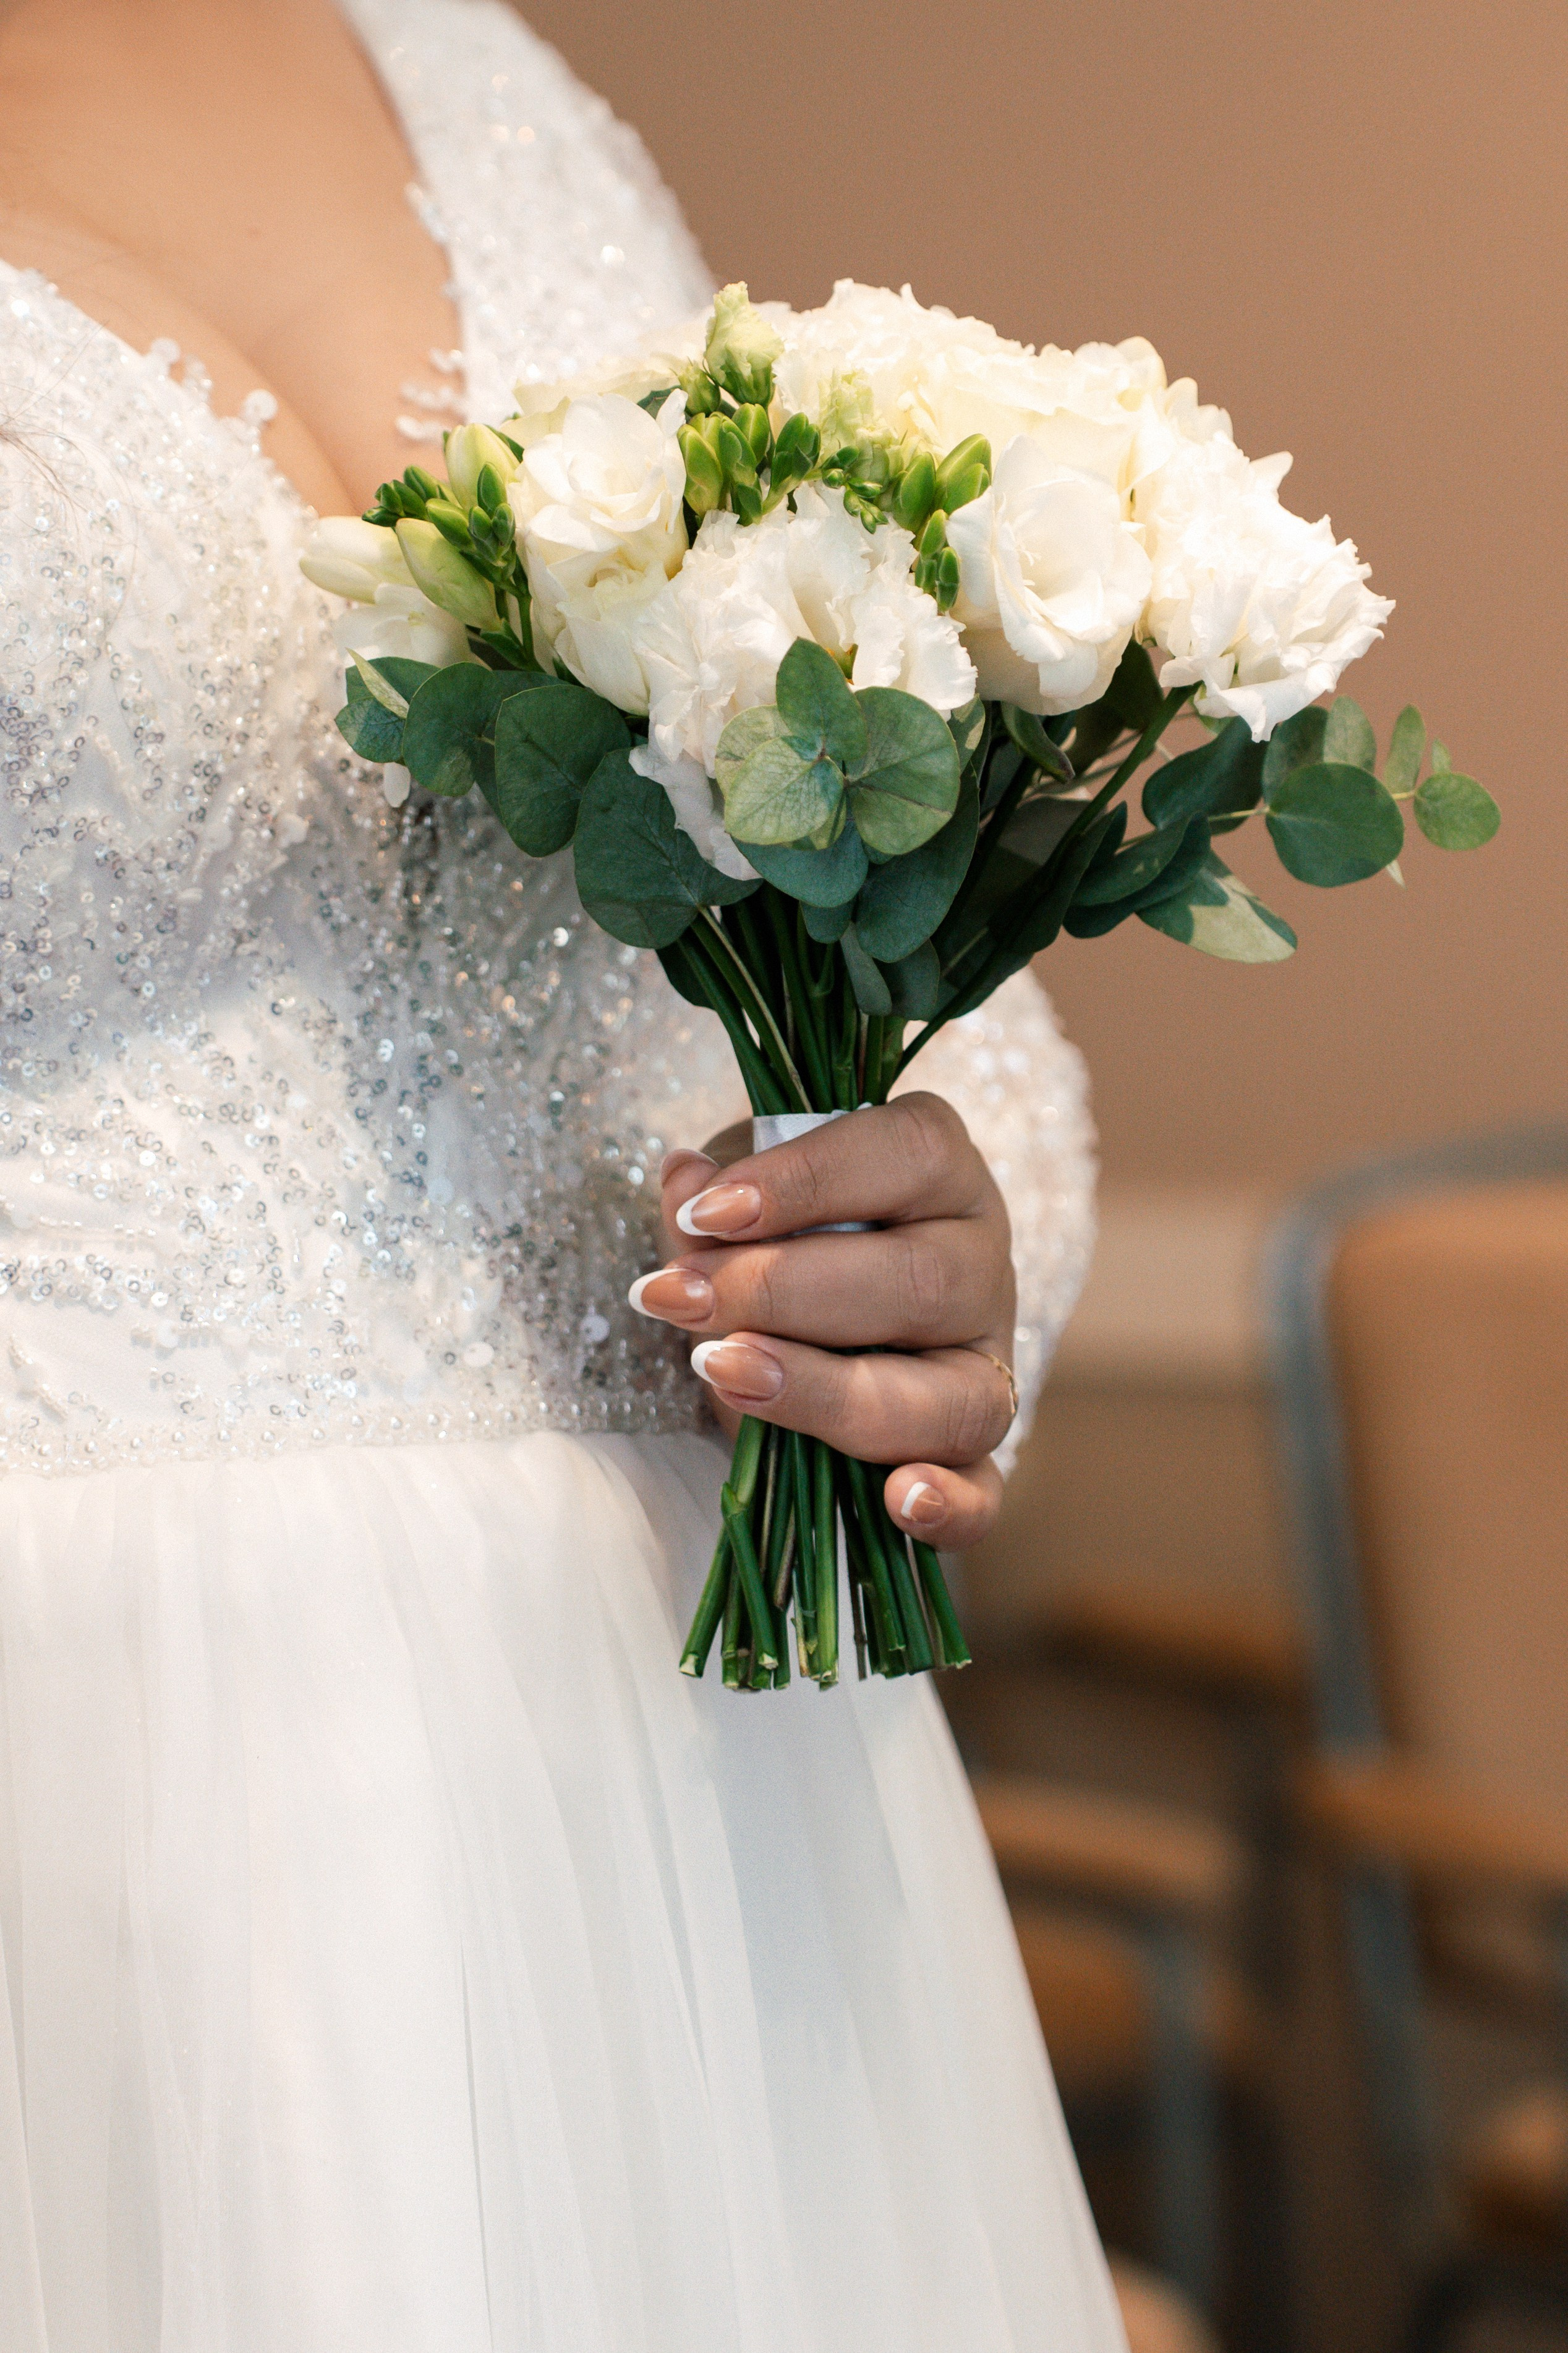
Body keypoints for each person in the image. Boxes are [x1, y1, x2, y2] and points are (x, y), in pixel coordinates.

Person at [0, 1, 1114, 2344]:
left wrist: (918, 1229)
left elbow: (799, 959)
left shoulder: (470, 72)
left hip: (697, 1798)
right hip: (92, 1791)